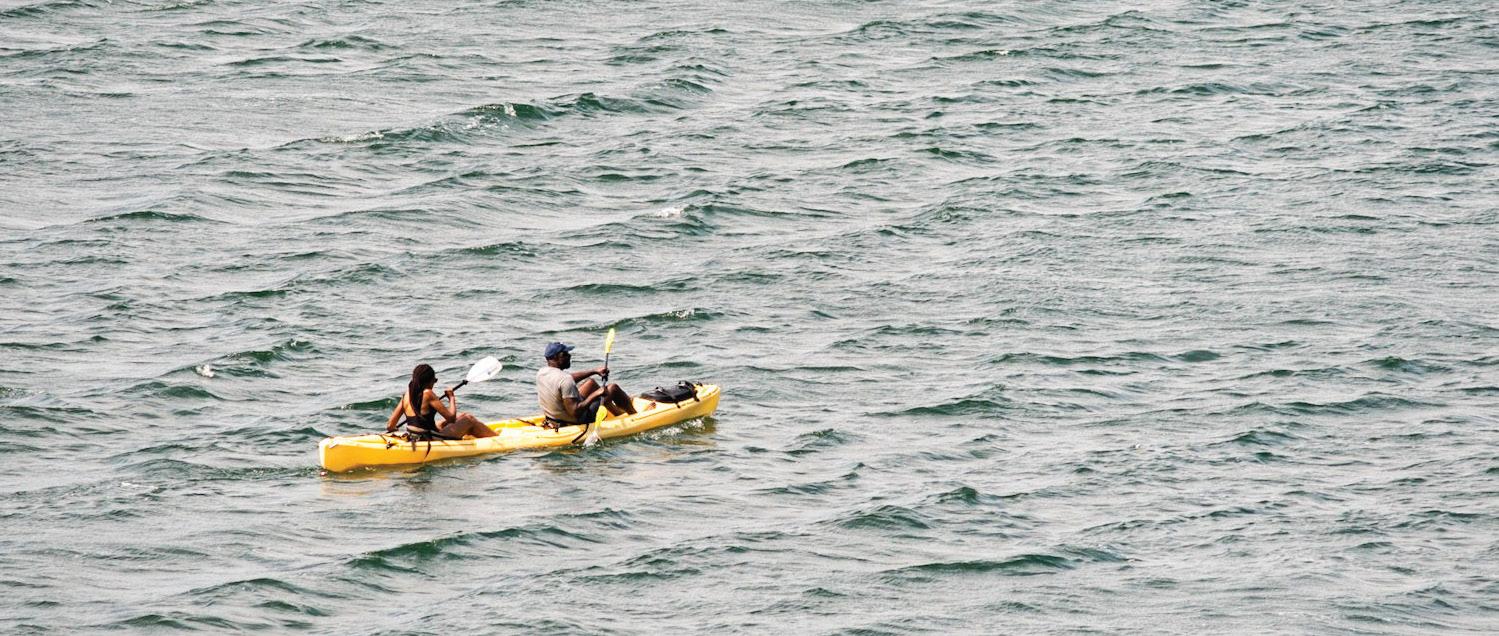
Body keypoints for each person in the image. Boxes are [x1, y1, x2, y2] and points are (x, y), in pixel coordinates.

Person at [536, 341, 636, 429]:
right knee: (613, 388)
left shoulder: (542, 373)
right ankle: (635, 416)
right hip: (577, 419)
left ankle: (617, 412)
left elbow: (568, 379)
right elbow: (575, 412)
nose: (569, 356)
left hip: (554, 417)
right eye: (565, 354)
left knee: (591, 383)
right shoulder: (566, 380)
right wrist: (596, 394)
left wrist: (594, 371)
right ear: (555, 357)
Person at [385, 363, 497, 438]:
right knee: (469, 419)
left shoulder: (406, 394)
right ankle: (496, 438)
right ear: (428, 381)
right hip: (429, 438)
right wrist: (451, 398)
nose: (434, 383)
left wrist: (398, 431)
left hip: (413, 434)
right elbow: (451, 418)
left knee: (461, 416)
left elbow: (390, 426)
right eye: (434, 380)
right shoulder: (428, 393)